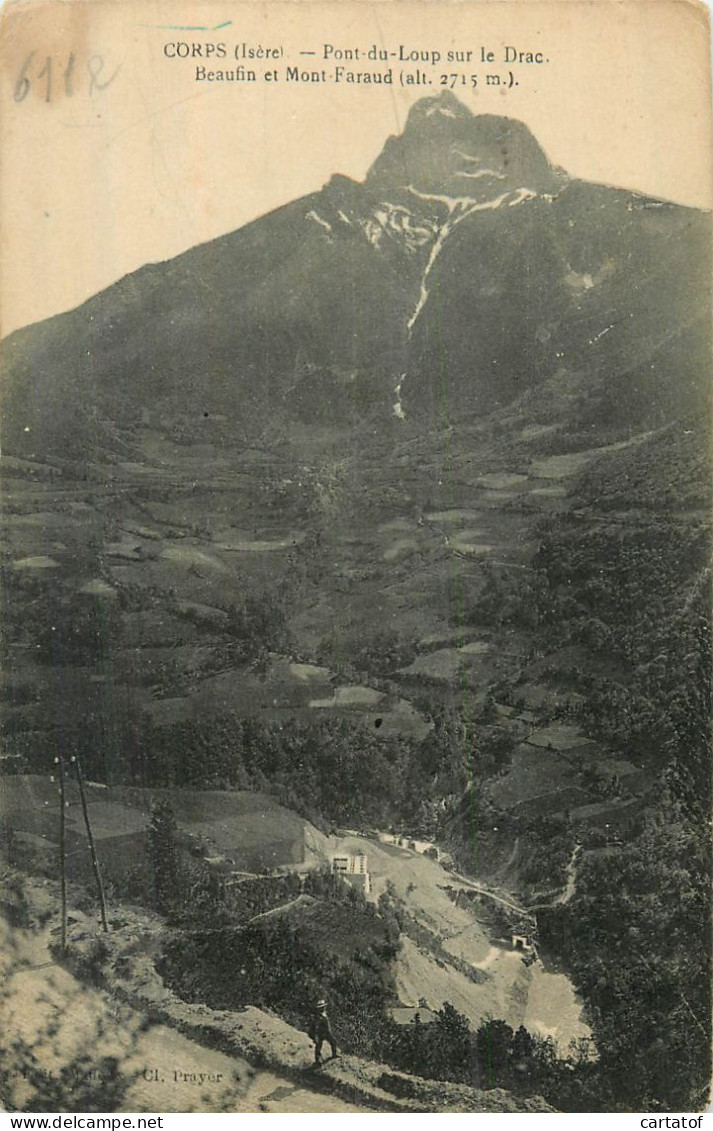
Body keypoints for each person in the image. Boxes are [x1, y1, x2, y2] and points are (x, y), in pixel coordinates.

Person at [310, 998, 338, 1065]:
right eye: (322, 1007)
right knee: (319, 1045)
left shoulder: (323, 1014)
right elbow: (316, 1025)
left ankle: (334, 1054)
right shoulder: (319, 1016)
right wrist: (316, 1035)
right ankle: (318, 1060)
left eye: (323, 1007)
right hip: (321, 1032)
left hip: (326, 1031)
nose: (323, 1008)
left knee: (333, 1042)